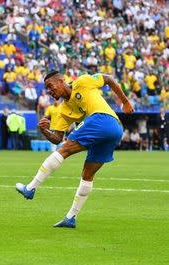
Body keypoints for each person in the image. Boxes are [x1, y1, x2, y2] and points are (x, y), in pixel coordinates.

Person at [15, 71, 134, 228]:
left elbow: (108, 79)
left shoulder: (83, 82)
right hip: (113, 131)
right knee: (87, 174)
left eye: (50, 86)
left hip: (104, 119)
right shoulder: (63, 110)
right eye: (47, 89)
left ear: (61, 81)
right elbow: (57, 138)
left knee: (64, 150)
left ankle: (31, 188)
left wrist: (125, 102)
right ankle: (71, 217)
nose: (49, 91)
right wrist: (44, 131)